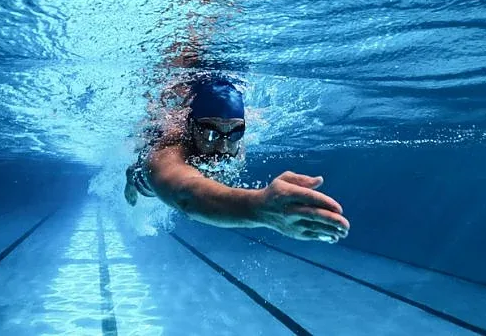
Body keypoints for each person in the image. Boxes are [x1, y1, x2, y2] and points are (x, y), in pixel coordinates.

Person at [124, 76, 349, 242]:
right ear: (191, 127)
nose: (223, 146)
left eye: (234, 133)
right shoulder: (168, 151)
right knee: (145, 180)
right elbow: (185, 196)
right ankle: (130, 179)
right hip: (149, 179)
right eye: (211, 133)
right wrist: (258, 208)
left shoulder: (235, 145)